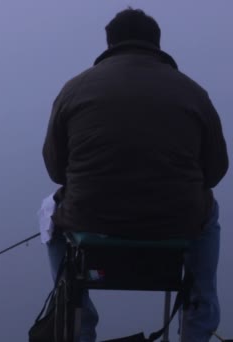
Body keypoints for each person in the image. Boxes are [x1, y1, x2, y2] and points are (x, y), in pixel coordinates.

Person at [41, 7, 228, 342]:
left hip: (91, 218)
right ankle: (197, 330)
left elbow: (56, 170)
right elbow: (215, 172)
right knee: (209, 211)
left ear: (110, 43)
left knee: (49, 213)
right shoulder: (193, 93)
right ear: (156, 43)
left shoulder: (74, 89)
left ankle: (79, 329)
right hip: (176, 222)